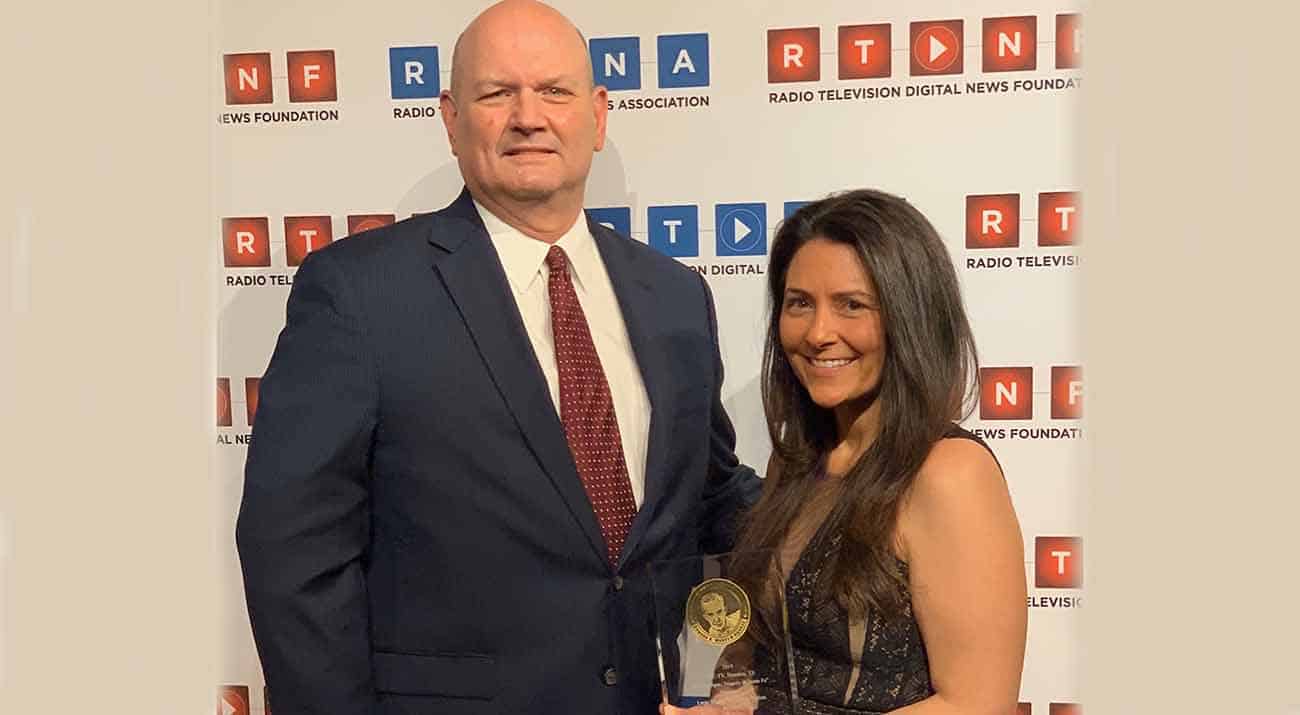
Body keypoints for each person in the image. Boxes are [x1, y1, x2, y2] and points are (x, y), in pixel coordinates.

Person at [234, 2, 760, 714]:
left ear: (598, 117)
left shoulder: (675, 295)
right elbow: (292, 552)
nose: (528, 115)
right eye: (496, 93)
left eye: (555, 91)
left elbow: (710, 494)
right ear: (451, 119)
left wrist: (878, 505)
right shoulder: (359, 293)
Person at [669, 189, 1028, 715]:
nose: (818, 333)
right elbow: (776, 672)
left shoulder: (948, 473)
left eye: (851, 305)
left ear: (911, 317)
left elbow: (977, 705)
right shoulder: (793, 463)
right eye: (799, 304)